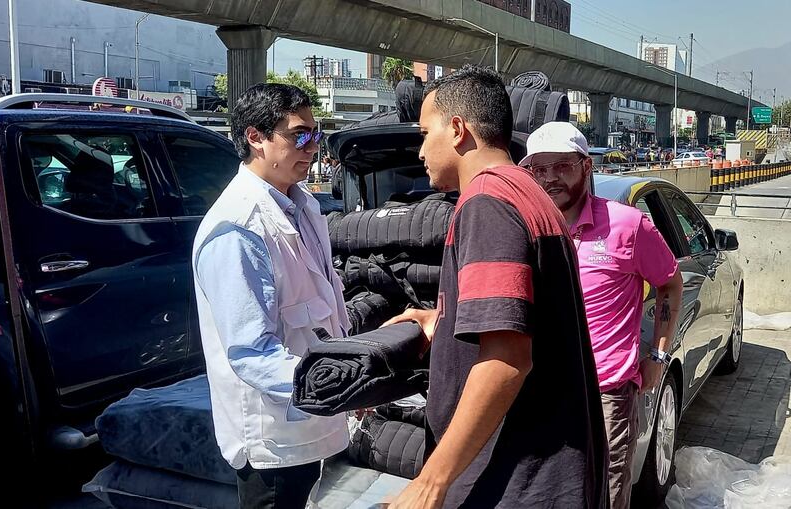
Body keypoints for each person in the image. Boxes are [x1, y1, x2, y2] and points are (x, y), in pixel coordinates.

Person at [383, 65, 608, 509]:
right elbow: (529, 313)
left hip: (517, 482)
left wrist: (432, 481)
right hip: (550, 474)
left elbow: (506, 360)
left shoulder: (487, 204)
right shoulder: (527, 192)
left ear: (458, 129)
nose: (420, 149)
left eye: (426, 133)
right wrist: (445, 321)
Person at [192, 84, 351, 509]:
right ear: (255, 137)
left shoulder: (304, 207)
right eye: (299, 135)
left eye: (316, 135)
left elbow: (326, 305)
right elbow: (250, 351)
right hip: (273, 440)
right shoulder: (238, 228)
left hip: (313, 421)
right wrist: (339, 385)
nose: (312, 147)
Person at [527, 122, 683, 509]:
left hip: (606, 393)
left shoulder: (628, 226)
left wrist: (659, 357)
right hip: (540, 391)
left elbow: (670, 283)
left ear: (586, 167)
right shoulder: (527, 229)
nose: (550, 179)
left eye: (562, 166)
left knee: (608, 495)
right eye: (540, 170)